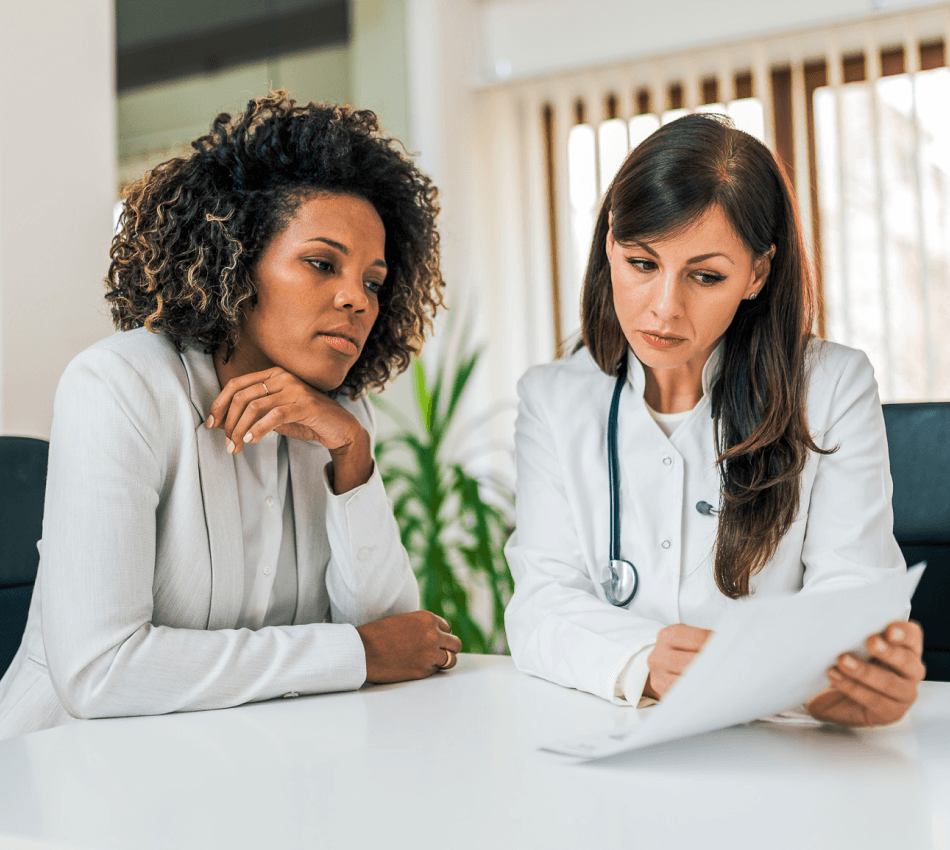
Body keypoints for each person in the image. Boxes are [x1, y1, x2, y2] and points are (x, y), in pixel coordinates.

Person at [0, 92, 462, 740]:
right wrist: (355, 653)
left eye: (373, 282)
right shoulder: (120, 387)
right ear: (236, 259)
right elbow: (100, 671)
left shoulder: (338, 418)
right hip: (65, 768)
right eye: (322, 264)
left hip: (241, 762)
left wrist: (352, 458)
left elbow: (398, 639)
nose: (356, 300)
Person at [504, 113, 925, 726]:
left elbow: (853, 589)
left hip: (781, 741)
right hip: (611, 732)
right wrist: (642, 659)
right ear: (610, 243)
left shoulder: (831, 386)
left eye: (705, 276)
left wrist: (846, 676)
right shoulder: (553, 398)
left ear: (757, 274)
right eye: (642, 263)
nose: (664, 307)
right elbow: (541, 603)